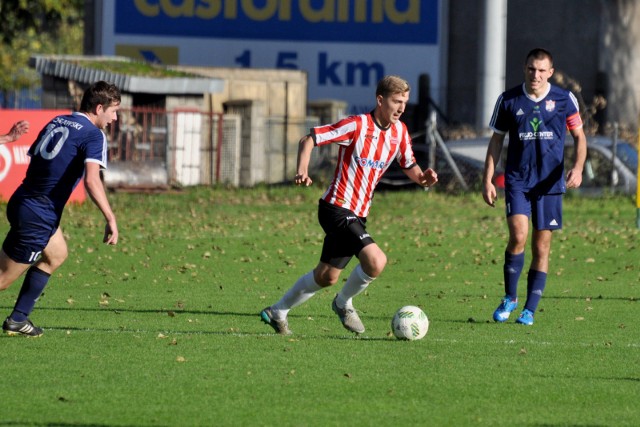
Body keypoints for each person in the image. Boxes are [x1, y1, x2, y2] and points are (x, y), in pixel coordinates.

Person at [260, 75, 438, 335]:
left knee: (326, 276)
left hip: (358, 214)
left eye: (405, 102)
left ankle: (278, 311)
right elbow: (308, 139)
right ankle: (343, 304)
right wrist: (302, 170)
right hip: (336, 207)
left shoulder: (399, 132)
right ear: (380, 100)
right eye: (396, 101)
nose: (401, 108)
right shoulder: (356, 126)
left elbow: (409, 164)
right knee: (376, 260)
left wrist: (423, 178)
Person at [0, 81, 121, 337]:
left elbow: (37, 159)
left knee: (56, 254)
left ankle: (18, 319)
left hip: (23, 200)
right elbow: (91, 179)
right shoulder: (93, 134)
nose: (115, 117)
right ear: (99, 108)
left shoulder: (58, 120)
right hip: (38, 214)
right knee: (2, 279)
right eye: (113, 111)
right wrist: (110, 217)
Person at [482, 48, 587, 326]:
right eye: (531, 69)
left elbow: (579, 136)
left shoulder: (565, 99)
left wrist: (577, 168)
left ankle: (529, 308)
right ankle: (510, 297)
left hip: (550, 184)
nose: (536, 75)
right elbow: (496, 141)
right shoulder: (508, 99)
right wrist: (488, 178)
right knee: (518, 235)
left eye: (541, 70)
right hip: (518, 180)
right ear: (524, 68)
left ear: (550, 72)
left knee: (542, 248)